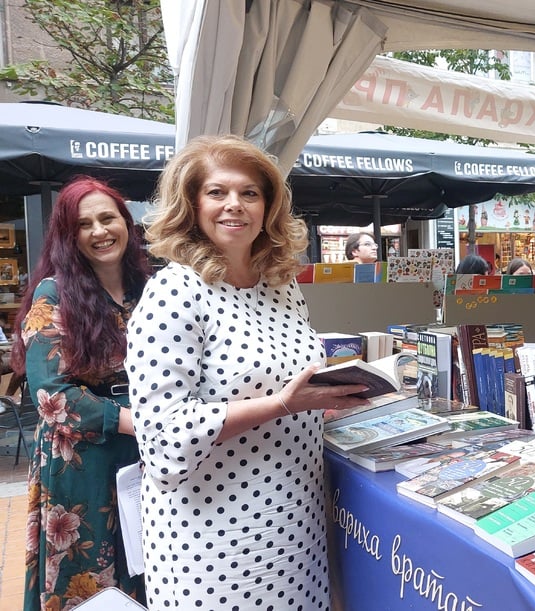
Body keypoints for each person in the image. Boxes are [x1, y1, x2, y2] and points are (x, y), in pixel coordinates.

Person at [125, 134, 370, 609]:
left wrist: (333, 400)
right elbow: (163, 437)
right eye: (217, 192)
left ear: (268, 207)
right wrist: (281, 404)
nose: (233, 205)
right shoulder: (173, 293)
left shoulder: (281, 289)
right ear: (192, 205)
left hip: (295, 520)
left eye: (249, 193)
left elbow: (295, 382)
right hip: (213, 536)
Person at [10, 176, 150, 610]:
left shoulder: (151, 288)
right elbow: (50, 394)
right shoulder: (55, 293)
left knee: (145, 559)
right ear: (69, 237)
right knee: (89, 571)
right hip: (84, 457)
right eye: (84, 224)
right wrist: (134, 422)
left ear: (127, 223)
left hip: (147, 449)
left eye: (108, 218)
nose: (100, 231)